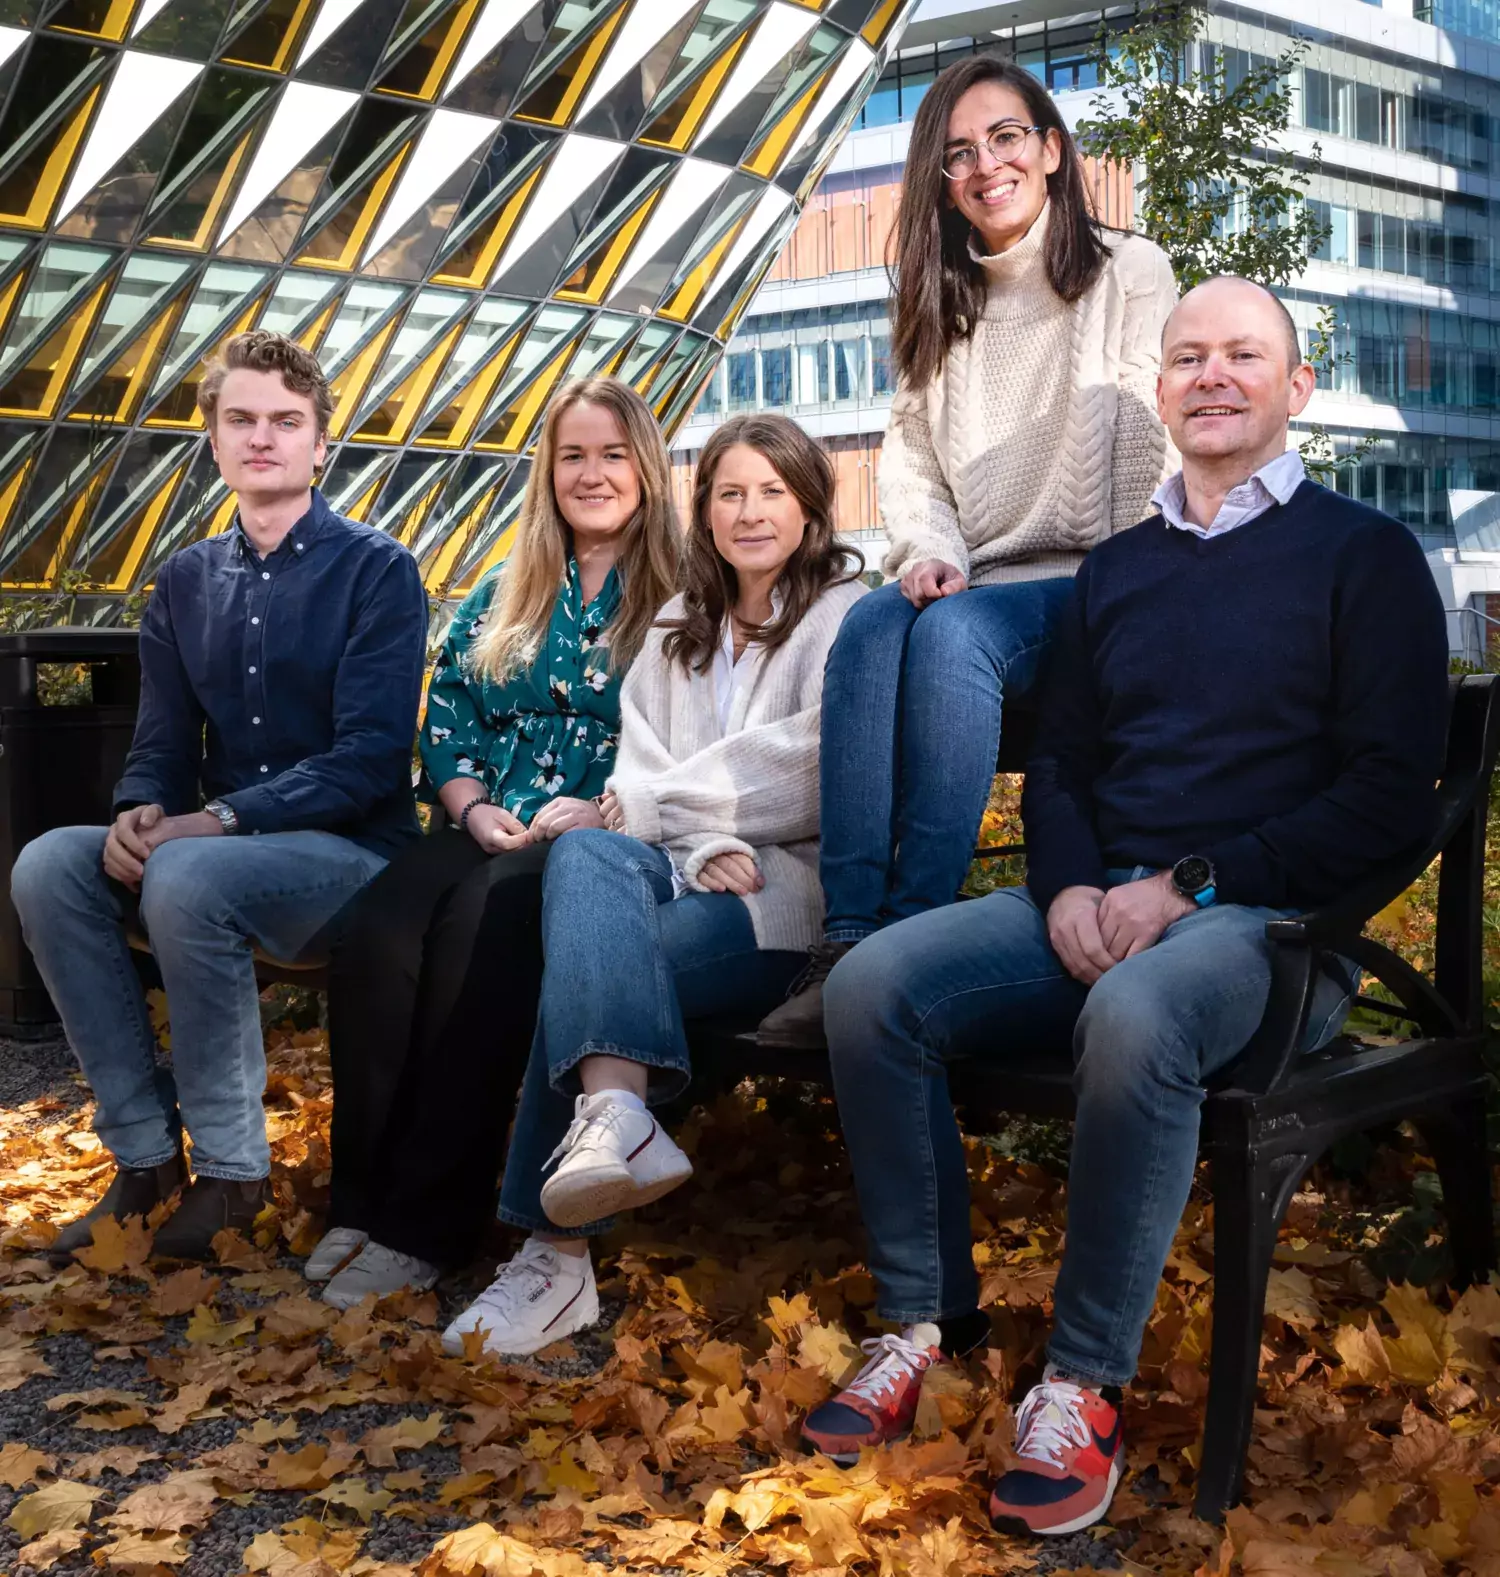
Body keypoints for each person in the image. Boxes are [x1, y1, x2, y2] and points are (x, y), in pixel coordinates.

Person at [801, 276, 1450, 1535]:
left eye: (1243, 356)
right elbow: (1067, 767)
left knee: (1140, 1011)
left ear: (1295, 387)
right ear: (1159, 389)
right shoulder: (1119, 571)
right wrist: (1071, 889)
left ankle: (1083, 1381)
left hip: (1269, 927)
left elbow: (1389, 798)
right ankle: (925, 1316)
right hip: (1110, 902)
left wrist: (1188, 885)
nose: (1213, 375)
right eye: (1189, 356)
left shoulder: (1365, 556)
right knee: (876, 981)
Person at [758, 56, 1178, 1049]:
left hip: (1095, 580)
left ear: (1051, 151)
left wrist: (1118, 596)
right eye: (957, 153)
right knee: (870, 622)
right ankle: (848, 932)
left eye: (1004, 138)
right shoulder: (936, 301)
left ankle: (913, 931)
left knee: (954, 640)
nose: (985, 164)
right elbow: (911, 464)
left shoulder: (1131, 271)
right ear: (939, 181)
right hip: (980, 580)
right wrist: (929, 553)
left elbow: (1146, 443)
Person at [438, 413, 866, 1358]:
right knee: (586, 858)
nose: (749, 513)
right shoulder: (679, 624)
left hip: (780, 900)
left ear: (809, 505)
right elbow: (639, 769)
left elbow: (809, 769)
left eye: (771, 492)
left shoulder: (846, 614)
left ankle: (551, 1257)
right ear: (703, 509)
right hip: (684, 874)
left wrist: (677, 818)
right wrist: (689, 835)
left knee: (591, 962)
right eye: (728, 493)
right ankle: (616, 1120)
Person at [10, 331, 428, 1264]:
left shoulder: (378, 570)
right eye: (241, 419)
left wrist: (216, 821)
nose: (263, 437)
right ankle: (145, 1157)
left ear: (322, 443)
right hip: (213, 853)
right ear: (213, 439)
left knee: (191, 874)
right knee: (50, 864)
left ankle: (236, 1177)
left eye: (286, 421)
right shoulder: (185, 581)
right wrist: (139, 810)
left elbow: (368, 761)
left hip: (351, 857)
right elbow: (162, 746)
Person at [314, 376, 679, 1307]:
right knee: (378, 931)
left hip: (591, 838)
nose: (591, 474)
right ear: (548, 473)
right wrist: (471, 805)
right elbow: (450, 709)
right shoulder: (508, 585)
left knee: (481, 939)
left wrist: (606, 807)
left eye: (611, 454)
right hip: (491, 815)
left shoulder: (682, 593)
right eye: (572, 456)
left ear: (645, 466)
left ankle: (428, 1223)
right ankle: (360, 1199)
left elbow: (687, 734)